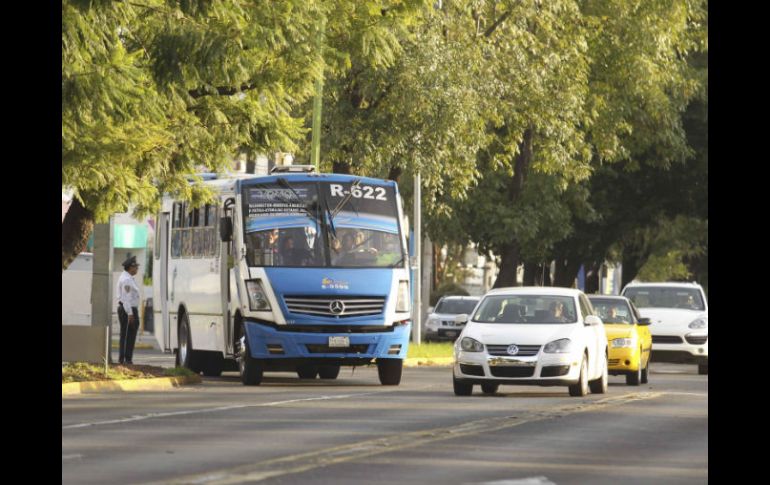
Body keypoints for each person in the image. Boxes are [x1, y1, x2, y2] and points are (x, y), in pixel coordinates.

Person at [117, 256, 141, 365]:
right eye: (136, 267)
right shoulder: (126, 280)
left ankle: (127, 358)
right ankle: (125, 359)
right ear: (130, 267)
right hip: (128, 310)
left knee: (130, 335)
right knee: (127, 335)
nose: (137, 269)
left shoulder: (128, 278)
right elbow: (126, 298)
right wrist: (130, 313)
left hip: (129, 309)